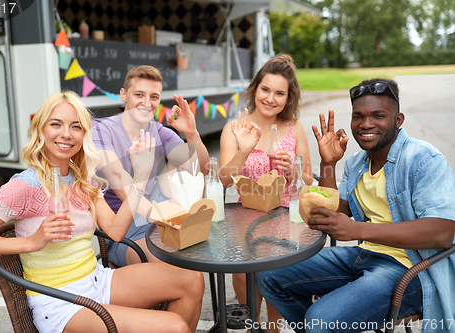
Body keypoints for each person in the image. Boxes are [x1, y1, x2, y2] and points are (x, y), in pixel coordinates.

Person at [0, 91, 204, 333]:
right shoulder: (25, 186)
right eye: (56, 124)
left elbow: (116, 231)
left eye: (76, 126)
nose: (66, 134)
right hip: (59, 302)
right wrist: (31, 242)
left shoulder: (83, 179)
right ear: (40, 130)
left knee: (191, 279)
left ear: (84, 134)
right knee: (175, 327)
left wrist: (139, 178)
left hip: (96, 281)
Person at [257, 78, 455, 333]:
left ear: (398, 120)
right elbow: (332, 211)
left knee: (321, 321)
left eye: (378, 116)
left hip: (411, 270)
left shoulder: (423, 159)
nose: (366, 124)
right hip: (364, 257)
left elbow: (442, 232)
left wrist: (357, 230)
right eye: (358, 116)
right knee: (269, 275)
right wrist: (328, 163)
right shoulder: (357, 163)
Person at [219, 54, 313, 333]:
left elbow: (307, 178)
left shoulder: (294, 127)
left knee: (276, 283)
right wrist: (244, 150)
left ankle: (272, 328)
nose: (271, 98)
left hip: (285, 215)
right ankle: (252, 328)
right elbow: (224, 179)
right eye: (265, 89)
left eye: (279, 93)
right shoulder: (234, 128)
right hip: (245, 215)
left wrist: (292, 170)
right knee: (245, 280)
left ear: (288, 97)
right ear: (255, 89)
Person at [92, 65, 209, 267]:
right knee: (178, 264)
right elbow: (119, 179)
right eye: (139, 94)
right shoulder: (100, 129)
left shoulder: (158, 130)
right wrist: (159, 215)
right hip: (123, 231)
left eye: (154, 97)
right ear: (123, 95)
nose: (147, 103)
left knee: (182, 166)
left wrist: (192, 134)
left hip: (156, 221)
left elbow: (199, 169)